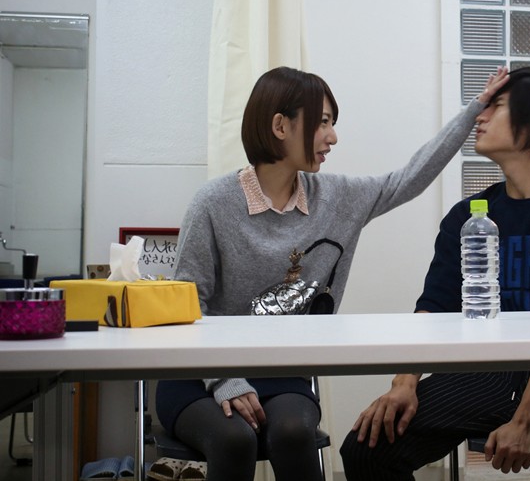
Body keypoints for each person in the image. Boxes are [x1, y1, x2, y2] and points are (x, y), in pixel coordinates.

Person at [155, 65, 510, 481]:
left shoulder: (337, 198)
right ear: (280, 126)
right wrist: (224, 379)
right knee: (235, 439)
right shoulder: (213, 203)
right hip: (200, 375)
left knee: (293, 433)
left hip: (280, 374)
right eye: (322, 122)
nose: (333, 137)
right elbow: (187, 304)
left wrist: (473, 111)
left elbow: (409, 178)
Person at [340, 67, 530, 480]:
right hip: (489, 368)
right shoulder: (466, 217)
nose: (480, 117)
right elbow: (434, 306)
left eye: (496, 107)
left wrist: (525, 419)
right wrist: (404, 382)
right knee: (367, 447)